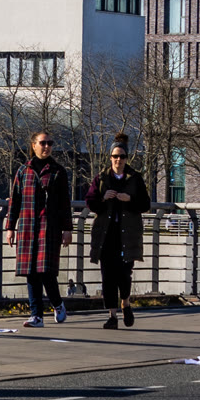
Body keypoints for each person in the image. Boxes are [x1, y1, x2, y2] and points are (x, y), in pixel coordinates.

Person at [7, 129, 74, 327]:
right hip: (27, 226)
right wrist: (10, 227)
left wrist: (67, 229)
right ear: (33, 145)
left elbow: (65, 203)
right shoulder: (23, 171)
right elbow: (15, 201)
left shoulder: (57, 171)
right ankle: (36, 315)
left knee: (46, 272)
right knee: (30, 272)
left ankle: (57, 304)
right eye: (43, 143)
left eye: (50, 143)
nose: (47, 147)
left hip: (48, 227)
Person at [85, 133, 151, 329]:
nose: (118, 160)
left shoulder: (135, 178)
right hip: (106, 234)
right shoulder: (101, 178)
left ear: (126, 158)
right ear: (110, 158)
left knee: (124, 274)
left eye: (122, 157)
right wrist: (103, 197)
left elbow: (145, 204)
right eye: (115, 156)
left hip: (127, 234)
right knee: (108, 276)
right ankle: (112, 316)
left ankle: (126, 303)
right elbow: (91, 202)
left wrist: (129, 199)